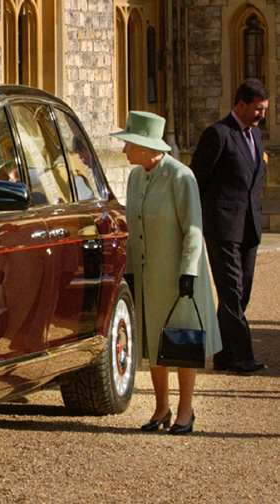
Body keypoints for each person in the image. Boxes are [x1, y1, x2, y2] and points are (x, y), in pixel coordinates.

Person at [112, 111, 221, 435]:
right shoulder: (135, 177)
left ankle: (186, 410)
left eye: (128, 144)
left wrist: (188, 272)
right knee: (151, 342)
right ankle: (161, 408)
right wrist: (129, 272)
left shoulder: (181, 177)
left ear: (145, 146)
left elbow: (193, 229)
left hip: (178, 278)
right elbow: (133, 229)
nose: (123, 151)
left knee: (182, 343)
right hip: (148, 276)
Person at [189, 79, 269, 375]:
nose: (261, 115)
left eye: (264, 110)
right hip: (222, 227)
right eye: (258, 109)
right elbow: (198, 179)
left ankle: (223, 355)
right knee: (232, 291)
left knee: (241, 292)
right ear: (241, 104)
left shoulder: (257, 136)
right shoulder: (218, 134)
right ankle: (244, 355)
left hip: (250, 227)